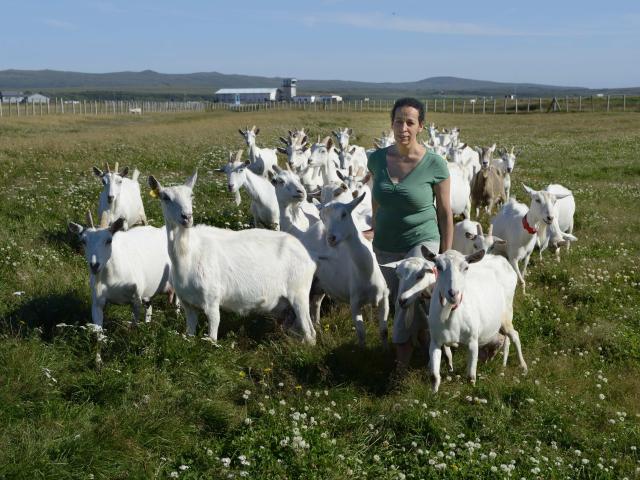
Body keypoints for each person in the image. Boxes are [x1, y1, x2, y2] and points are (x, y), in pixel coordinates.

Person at [365, 97, 453, 371]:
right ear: (391, 124)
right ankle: (427, 336)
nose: (403, 127)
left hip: (422, 241)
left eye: (410, 122)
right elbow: (376, 199)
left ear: (420, 127)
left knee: (405, 299)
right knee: (400, 299)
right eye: (398, 121)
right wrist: (375, 228)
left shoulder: (434, 164)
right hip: (385, 245)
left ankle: (401, 366)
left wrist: (444, 255)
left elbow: (445, 212)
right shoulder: (377, 159)